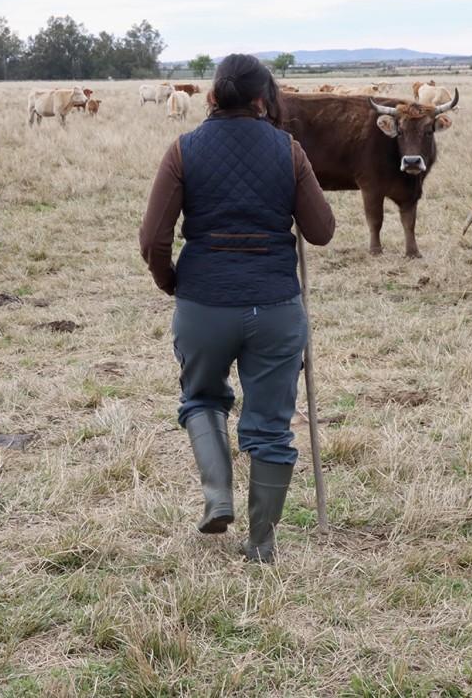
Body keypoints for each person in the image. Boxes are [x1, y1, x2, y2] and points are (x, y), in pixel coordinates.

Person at [139, 54, 336, 563]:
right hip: (275, 307)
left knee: (201, 398)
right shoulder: (288, 151)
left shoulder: (182, 150)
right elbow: (321, 232)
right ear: (262, 100)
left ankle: (218, 497)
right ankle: (262, 544)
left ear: (210, 98)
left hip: (204, 302)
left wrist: (173, 285)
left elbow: (153, 239)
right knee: (271, 426)